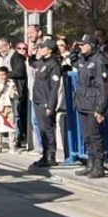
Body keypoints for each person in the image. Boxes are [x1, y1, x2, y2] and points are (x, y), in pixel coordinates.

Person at [72, 35, 108, 179]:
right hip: (82, 101)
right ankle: (90, 163)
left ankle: (99, 166)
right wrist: (74, 50)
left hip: (93, 102)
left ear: (91, 45)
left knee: (95, 136)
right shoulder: (82, 59)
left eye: (84, 45)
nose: (81, 47)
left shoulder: (98, 60)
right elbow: (72, 60)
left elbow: (103, 86)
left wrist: (100, 108)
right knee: (86, 135)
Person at [31, 40, 62, 168]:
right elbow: (32, 63)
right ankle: (44, 155)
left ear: (49, 50)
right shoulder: (41, 62)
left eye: (42, 47)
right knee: (42, 129)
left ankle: (50, 156)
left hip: (45, 100)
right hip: (38, 99)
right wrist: (33, 54)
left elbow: (54, 87)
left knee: (48, 129)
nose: (40, 49)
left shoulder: (53, 64)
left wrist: (51, 105)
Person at [0, 38, 30, 150]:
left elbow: (20, 72)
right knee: (11, 115)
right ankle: (15, 138)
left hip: (16, 91)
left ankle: (17, 139)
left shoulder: (16, 57)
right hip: (8, 92)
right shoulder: (6, 57)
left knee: (16, 116)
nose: (1, 50)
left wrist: (5, 75)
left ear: (8, 45)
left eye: (2, 47)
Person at [0, 67, 18, 152]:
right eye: (0, 75)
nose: (2, 77)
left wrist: (13, 92)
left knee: (11, 126)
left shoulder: (11, 83)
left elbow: (15, 95)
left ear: (7, 75)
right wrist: (1, 85)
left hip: (9, 107)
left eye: (3, 75)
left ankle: (12, 145)